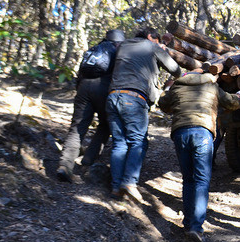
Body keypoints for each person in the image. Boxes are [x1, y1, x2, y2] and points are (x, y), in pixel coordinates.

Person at [157, 70, 240, 242]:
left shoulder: (177, 86)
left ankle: (188, 224)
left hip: (181, 132)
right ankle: (196, 227)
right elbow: (231, 103)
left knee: (188, 179)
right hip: (202, 132)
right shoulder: (212, 86)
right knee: (201, 180)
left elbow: (163, 104)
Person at [106, 27, 181, 202]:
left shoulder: (123, 46)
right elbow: (175, 69)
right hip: (133, 98)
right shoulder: (151, 46)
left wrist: (160, 45)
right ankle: (130, 182)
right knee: (138, 140)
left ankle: (116, 188)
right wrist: (162, 51)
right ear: (150, 37)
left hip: (112, 97)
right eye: (156, 40)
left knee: (119, 143)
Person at [57, 29, 125, 183]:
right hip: (104, 88)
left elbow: (81, 72)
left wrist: (79, 89)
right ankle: (88, 161)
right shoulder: (119, 51)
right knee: (105, 125)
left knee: (77, 127)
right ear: (120, 40)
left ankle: (65, 165)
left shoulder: (95, 49)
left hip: (84, 88)